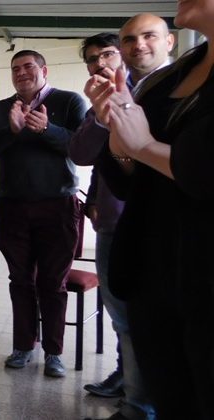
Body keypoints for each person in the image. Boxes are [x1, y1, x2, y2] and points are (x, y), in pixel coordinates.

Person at [88, 2, 214, 418]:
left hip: (204, 278)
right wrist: (120, 133)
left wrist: (143, 145)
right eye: (130, 38)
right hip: (154, 271)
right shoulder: (174, 77)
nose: (138, 45)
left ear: (168, 42)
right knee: (172, 397)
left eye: (148, 37)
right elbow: (129, 179)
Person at [0, 50, 85, 378]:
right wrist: (11, 129)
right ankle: (23, 345)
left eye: (28, 67)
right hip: (12, 207)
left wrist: (47, 129)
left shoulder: (69, 102)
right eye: (15, 69)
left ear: (44, 70)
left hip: (58, 207)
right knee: (20, 279)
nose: (21, 73)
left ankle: (53, 352)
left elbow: (82, 147)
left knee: (53, 282)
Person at [69, 33, 156, 420]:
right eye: (92, 59)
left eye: (107, 54)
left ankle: (140, 405)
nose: (100, 63)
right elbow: (81, 153)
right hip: (109, 219)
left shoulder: (151, 92)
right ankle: (127, 381)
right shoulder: (96, 104)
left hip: (151, 221)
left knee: (143, 314)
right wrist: (100, 115)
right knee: (120, 314)